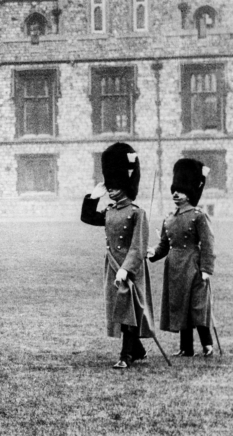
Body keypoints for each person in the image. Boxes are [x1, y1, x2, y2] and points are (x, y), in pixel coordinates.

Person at [81, 142, 153, 369]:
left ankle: (126, 355)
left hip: (130, 268)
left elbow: (138, 246)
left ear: (125, 185)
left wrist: (126, 269)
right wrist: (93, 196)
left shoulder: (137, 213)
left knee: (129, 310)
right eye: (109, 185)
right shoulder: (110, 211)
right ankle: (137, 349)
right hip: (112, 266)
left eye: (115, 186)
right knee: (119, 309)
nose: (111, 190)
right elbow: (88, 218)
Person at [148, 158, 216, 357]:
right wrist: (152, 253)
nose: (176, 195)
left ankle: (207, 345)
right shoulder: (168, 218)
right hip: (175, 267)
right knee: (181, 305)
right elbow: (164, 246)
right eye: (174, 191)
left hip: (193, 265)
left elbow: (208, 244)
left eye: (181, 191)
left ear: (190, 193)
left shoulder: (198, 216)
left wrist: (206, 269)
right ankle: (186, 348)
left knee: (197, 305)